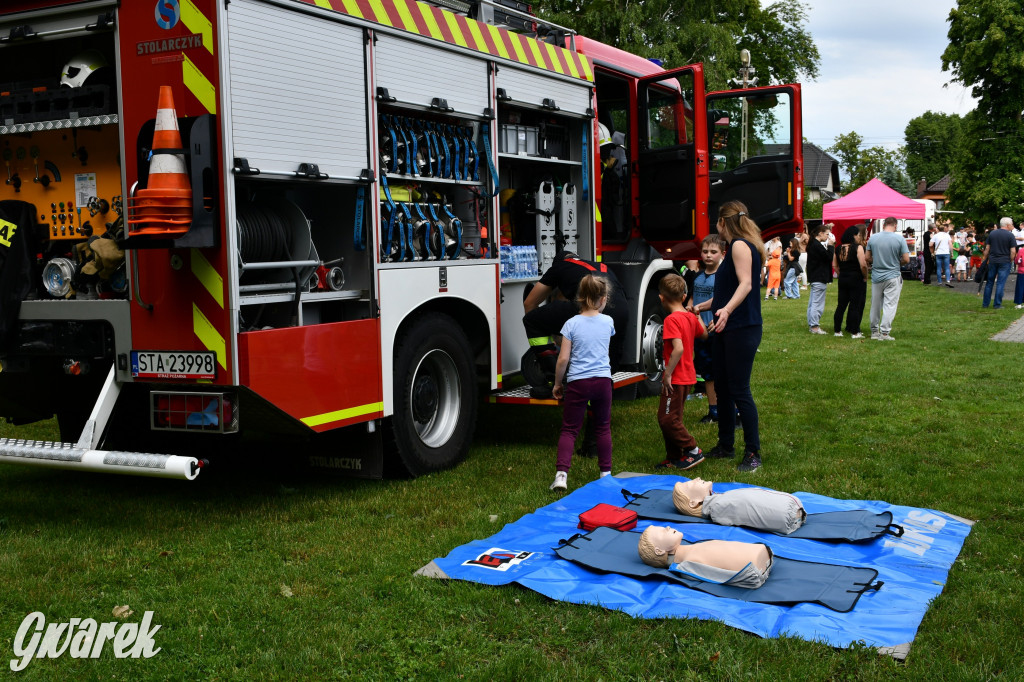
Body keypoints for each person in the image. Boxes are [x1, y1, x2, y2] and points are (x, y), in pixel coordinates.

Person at [707, 200, 765, 472]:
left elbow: (746, 285)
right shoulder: (734, 248)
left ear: (722, 222)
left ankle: (753, 453)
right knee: (723, 388)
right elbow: (728, 290)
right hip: (725, 326)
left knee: (739, 390)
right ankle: (725, 445)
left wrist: (727, 311)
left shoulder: (740, 245)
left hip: (742, 327)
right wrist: (705, 307)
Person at [522, 250, 628, 398]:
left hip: (591, 306)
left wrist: (542, 341)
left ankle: (555, 380)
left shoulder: (560, 266)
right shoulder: (601, 266)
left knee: (531, 320)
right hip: (622, 310)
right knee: (610, 366)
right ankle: (602, 386)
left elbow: (530, 302)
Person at [549, 274, 615, 490]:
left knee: (569, 430)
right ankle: (606, 473)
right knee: (603, 427)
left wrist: (558, 383)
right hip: (603, 381)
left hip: (578, 382)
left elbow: (563, 359)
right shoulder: (608, 322)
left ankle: (561, 476)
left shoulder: (571, 324)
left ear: (580, 297)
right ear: (603, 299)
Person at [653, 275, 707, 470]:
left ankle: (693, 450)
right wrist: (697, 316)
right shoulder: (689, 317)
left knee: (666, 419)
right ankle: (674, 456)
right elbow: (705, 334)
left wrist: (667, 374)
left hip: (676, 378)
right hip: (687, 376)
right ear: (684, 297)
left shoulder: (671, 320)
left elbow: (678, 349)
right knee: (673, 416)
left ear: (661, 298)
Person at [637, 525, 773, 589]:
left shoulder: (690, 551)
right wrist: (750, 576)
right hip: (753, 567)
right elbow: (717, 576)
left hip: (759, 554)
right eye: (661, 532)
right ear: (659, 551)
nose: (666, 527)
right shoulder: (685, 565)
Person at [671, 479, 806, 534]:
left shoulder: (720, 500)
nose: (697, 478)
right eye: (690, 484)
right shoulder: (718, 506)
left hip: (790, 508)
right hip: (788, 514)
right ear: (693, 502)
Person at [689, 235, 724, 423]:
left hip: (717, 330)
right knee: (707, 373)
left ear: (722, 254)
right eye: (705, 251)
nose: (708, 255)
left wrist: (700, 309)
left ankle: (732, 411)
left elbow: (720, 300)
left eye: (713, 252)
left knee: (723, 373)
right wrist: (689, 306)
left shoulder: (723, 276)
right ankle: (714, 410)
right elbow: (694, 298)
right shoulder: (698, 276)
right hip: (700, 332)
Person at [865, 217, 910, 340]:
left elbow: (867, 257)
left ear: (884, 224)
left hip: (877, 275)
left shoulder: (873, 238)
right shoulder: (900, 239)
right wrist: (897, 263)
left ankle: (874, 331)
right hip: (893, 275)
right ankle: (884, 332)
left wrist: (877, 261)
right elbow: (906, 259)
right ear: (895, 226)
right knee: (890, 304)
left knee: (875, 304)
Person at [832, 224, 868, 338]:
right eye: (857, 235)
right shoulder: (858, 247)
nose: (858, 237)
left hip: (843, 278)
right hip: (856, 278)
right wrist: (865, 276)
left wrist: (840, 274)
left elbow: (834, 265)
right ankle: (855, 332)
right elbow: (863, 265)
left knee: (841, 305)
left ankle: (837, 331)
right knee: (855, 305)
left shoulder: (838, 248)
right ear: (853, 236)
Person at [982, 217, 1018, 309]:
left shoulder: (992, 233)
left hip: (993, 260)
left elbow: (987, 248)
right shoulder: (1010, 236)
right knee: (1000, 283)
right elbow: (1013, 251)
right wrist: (1010, 260)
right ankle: (997, 304)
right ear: (1008, 225)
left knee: (989, 282)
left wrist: (984, 259)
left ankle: (985, 304)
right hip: (1004, 261)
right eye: (1011, 224)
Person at [805, 223, 834, 334]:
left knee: (813, 302)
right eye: (827, 234)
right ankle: (814, 326)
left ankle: (812, 324)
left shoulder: (813, 244)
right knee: (817, 303)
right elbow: (828, 257)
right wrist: (831, 246)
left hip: (814, 277)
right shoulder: (817, 245)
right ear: (820, 233)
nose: (828, 237)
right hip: (819, 277)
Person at [931, 223, 954, 288]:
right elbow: (950, 244)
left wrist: (932, 251)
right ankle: (948, 280)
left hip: (938, 253)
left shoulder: (935, 235)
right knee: (947, 268)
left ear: (938, 229)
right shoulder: (947, 235)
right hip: (946, 253)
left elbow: (930, 244)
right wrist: (951, 252)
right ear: (944, 229)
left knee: (939, 268)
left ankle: (939, 281)